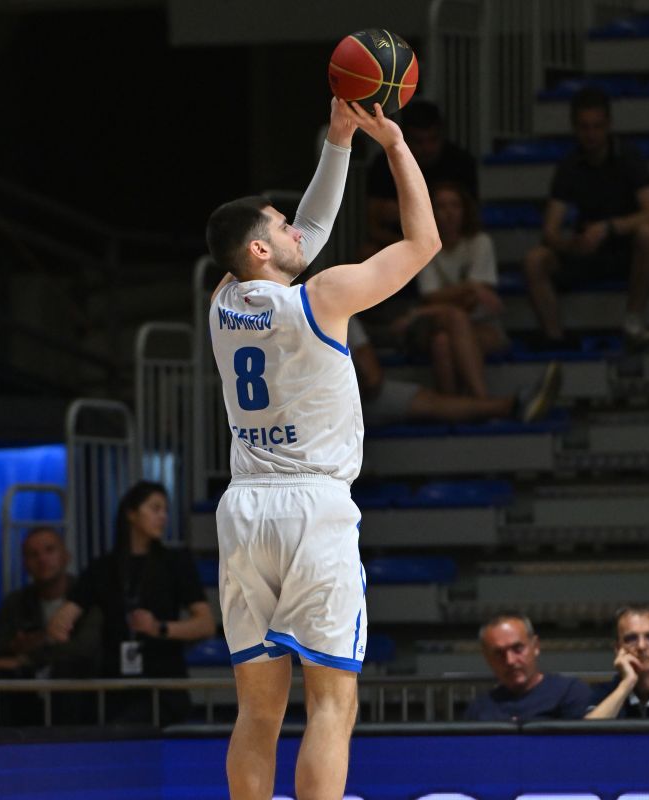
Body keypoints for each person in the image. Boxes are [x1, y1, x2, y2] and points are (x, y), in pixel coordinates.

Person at [203, 99, 439, 800]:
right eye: (280, 227)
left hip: (245, 508)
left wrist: (337, 141)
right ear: (260, 251)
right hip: (314, 506)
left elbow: (305, 232)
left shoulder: (222, 299)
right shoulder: (324, 299)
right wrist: (391, 145)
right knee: (333, 705)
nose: (295, 231)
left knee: (257, 711)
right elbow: (423, 242)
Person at [47, 482, 214, 726]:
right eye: (155, 509)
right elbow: (67, 612)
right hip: (115, 684)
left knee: (128, 723)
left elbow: (205, 624)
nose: (163, 517)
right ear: (132, 514)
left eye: (165, 510)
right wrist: (60, 622)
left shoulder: (176, 562)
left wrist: (159, 628)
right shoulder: (103, 568)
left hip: (163, 683)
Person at [523, 86, 649, 348]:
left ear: (608, 126)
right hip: (588, 251)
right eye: (584, 127)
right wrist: (572, 244)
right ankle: (555, 338)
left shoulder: (628, 157)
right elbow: (550, 231)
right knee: (535, 259)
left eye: (597, 127)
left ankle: (633, 319)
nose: (591, 134)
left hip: (625, 248)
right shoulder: (569, 165)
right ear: (575, 128)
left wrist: (609, 227)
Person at [391, 181, 508, 398]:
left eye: (455, 205)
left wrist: (421, 311)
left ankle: (458, 407)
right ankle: (481, 400)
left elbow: (473, 301)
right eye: (442, 206)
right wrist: (470, 287)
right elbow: (431, 296)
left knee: (442, 342)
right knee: (453, 321)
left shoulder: (480, 242)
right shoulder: (425, 246)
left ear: (465, 210)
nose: (449, 213)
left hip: (481, 324)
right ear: (431, 212)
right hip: (436, 323)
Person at [0, 526, 101, 725]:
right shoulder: (16, 602)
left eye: (50, 550)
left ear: (66, 556)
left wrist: (27, 657)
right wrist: (14, 647)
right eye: (33, 554)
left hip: (78, 694)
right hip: (27, 697)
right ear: (25, 564)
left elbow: (84, 649)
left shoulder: (87, 596)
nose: (42, 559)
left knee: (69, 670)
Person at [348, 318, 560, 426]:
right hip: (343, 407)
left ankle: (510, 405)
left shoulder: (337, 309)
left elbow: (372, 379)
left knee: (441, 345)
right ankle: (509, 405)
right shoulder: (336, 308)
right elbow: (372, 378)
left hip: (354, 399)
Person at [363, 100, 477, 259]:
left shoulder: (460, 163)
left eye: (432, 139)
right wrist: (412, 246)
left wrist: (406, 213)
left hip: (452, 241)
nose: (427, 148)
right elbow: (372, 226)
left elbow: (473, 218)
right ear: (405, 139)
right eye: (419, 141)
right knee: (368, 252)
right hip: (400, 244)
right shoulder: (384, 164)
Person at [465, 614, 590, 722]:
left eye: (518, 648)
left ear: (535, 646)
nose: (510, 661)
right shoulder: (479, 709)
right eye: (499, 653)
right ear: (487, 658)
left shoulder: (569, 693)